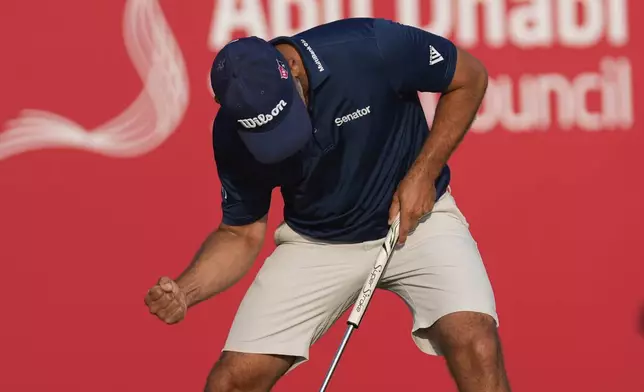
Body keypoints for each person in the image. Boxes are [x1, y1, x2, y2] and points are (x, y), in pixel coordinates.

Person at [144, 17, 511, 392]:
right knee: (230, 383)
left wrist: (423, 172)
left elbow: (470, 76)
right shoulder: (232, 132)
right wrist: (185, 292)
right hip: (316, 242)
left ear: (293, 68)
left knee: (476, 344)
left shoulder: (368, 47)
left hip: (418, 223)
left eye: (287, 115)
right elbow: (241, 234)